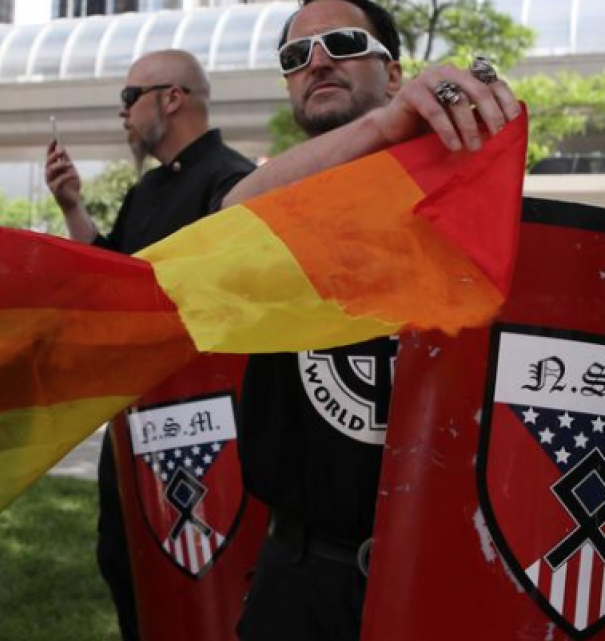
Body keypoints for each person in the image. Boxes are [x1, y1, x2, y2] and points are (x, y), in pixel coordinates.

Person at [221, 2, 521, 640]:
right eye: (295, 57)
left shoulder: (465, 190)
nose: (317, 62)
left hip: (447, 571)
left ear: (394, 74)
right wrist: (386, 127)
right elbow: (230, 217)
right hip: (301, 582)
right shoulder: (279, 203)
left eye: (341, 42)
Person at [44, 48, 254, 641]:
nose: (123, 113)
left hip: (204, 431)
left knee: (199, 584)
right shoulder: (147, 192)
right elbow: (112, 278)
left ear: (172, 97)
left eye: (129, 97)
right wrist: (71, 206)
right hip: (135, 421)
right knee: (125, 561)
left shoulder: (231, 182)